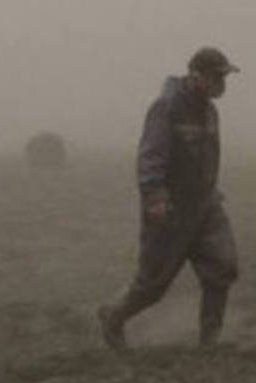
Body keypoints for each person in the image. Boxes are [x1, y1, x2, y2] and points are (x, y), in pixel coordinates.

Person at [98, 46, 240, 351]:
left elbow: (208, 156)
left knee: (223, 266)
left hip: (205, 205)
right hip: (170, 209)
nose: (222, 83)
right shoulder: (166, 107)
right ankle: (113, 315)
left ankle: (210, 341)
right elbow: (151, 156)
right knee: (152, 285)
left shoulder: (210, 110)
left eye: (224, 76)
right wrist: (155, 197)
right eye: (217, 76)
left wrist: (210, 189)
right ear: (196, 75)